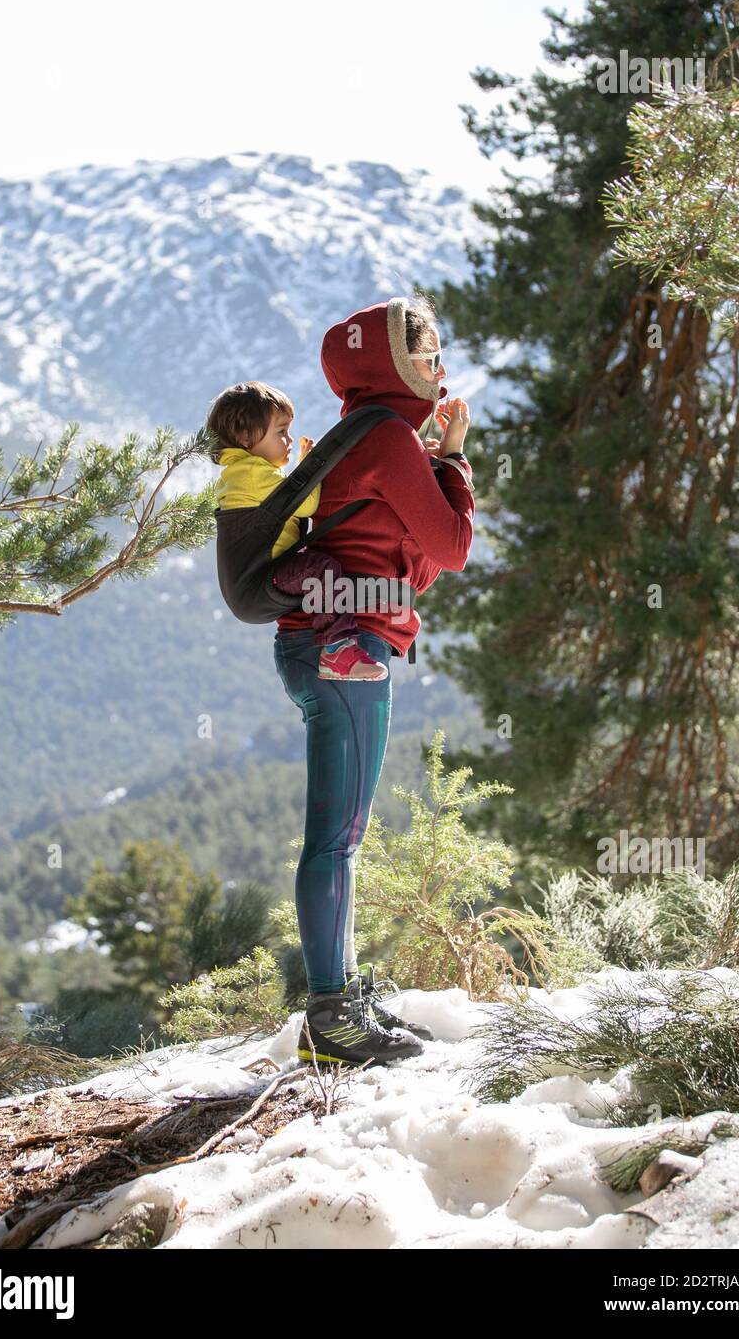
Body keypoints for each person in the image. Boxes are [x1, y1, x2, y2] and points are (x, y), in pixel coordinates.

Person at [273, 295, 474, 1066]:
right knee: (336, 836)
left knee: (341, 837)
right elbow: (450, 547)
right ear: (393, 363)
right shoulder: (388, 438)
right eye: (426, 356)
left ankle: (344, 998)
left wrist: (432, 454)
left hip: (322, 643)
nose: (439, 368)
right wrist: (453, 459)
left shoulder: (366, 434)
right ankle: (331, 1017)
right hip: (346, 650)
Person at [207, 380, 388, 681]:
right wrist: (309, 466)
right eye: (280, 431)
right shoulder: (251, 474)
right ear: (245, 436)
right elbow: (306, 504)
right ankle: (338, 652)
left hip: (251, 589)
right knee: (321, 569)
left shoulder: (240, 474)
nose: (288, 439)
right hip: (258, 584)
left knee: (325, 574)